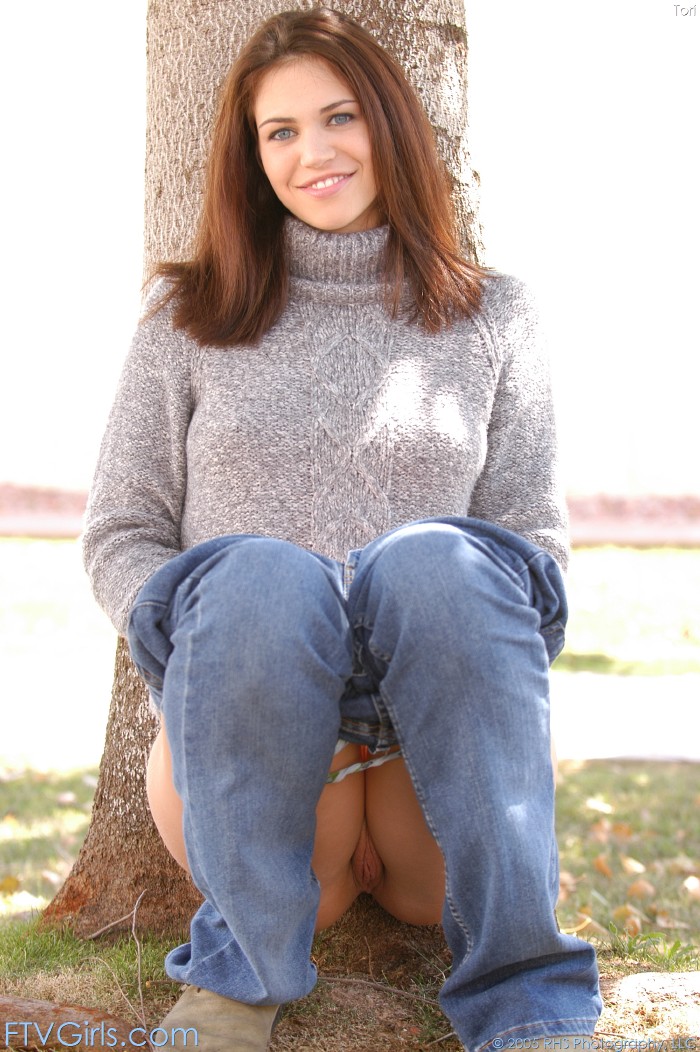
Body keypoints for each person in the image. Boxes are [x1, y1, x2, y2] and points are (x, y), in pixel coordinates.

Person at [83, 8, 602, 1051]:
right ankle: (235, 985)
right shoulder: (186, 317)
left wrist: (421, 595)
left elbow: (532, 549)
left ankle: (531, 1002)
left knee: (436, 560)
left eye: (339, 116)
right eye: (279, 131)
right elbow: (122, 530)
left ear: (390, 123)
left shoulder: (496, 316)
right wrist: (210, 649)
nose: (311, 151)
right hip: (256, 722)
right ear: (251, 156)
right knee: (261, 578)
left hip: (430, 735)